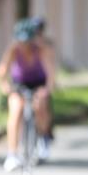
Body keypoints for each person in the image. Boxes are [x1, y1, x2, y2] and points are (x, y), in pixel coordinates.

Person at [0, 19, 56, 172]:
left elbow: (50, 75)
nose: (24, 45)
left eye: (27, 41)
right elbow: (2, 71)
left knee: (40, 106)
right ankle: (12, 155)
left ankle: (43, 137)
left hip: (38, 82)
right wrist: (5, 87)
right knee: (15, 110)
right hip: (19, 83)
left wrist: (46, 90)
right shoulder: (13, 49)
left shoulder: (41, 50)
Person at [29, 16, 55, 158]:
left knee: (44, 106)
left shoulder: (46, 44)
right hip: (28, 80)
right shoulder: (25, 42)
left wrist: (50, 83)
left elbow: (51, 64)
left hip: (43, 80)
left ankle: (44, 136)